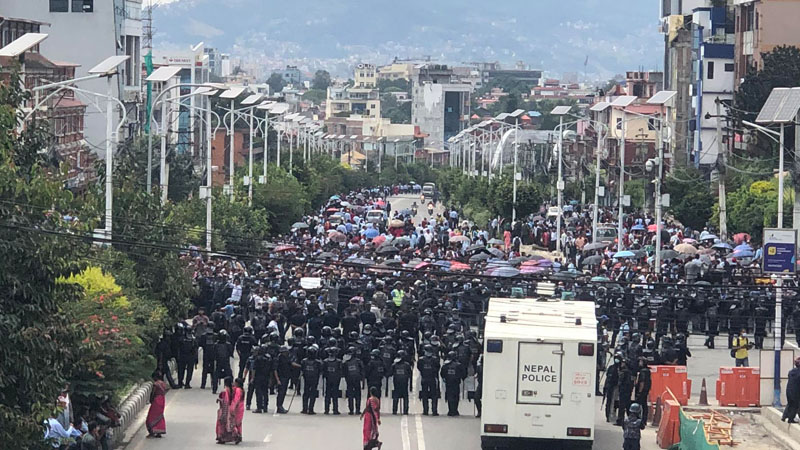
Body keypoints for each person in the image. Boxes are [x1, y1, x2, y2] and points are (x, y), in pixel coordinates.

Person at [215, 377, 242, 444]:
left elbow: (225, 400)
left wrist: (219, 400)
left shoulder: (225, 390)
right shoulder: (233, 389)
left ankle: (222, 438)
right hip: (230, 408)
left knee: (222, 424)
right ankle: (235, 436)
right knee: (230, 424)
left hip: (224, 409)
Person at [146, 371, 167, 438]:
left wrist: (151, 400)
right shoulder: (163, 384)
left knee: (151, 416)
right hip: (162, 400)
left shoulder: (156, 384)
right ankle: (159, 432)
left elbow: (153, 392)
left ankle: (152, 432)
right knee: (159, 415)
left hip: (156, 400)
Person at [783, 357, 800, 423]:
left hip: (789, 390)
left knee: (790, 404)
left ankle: (784, 416)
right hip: (796, 392)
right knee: (794, 405)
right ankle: (790, 419)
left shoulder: (791, 372)